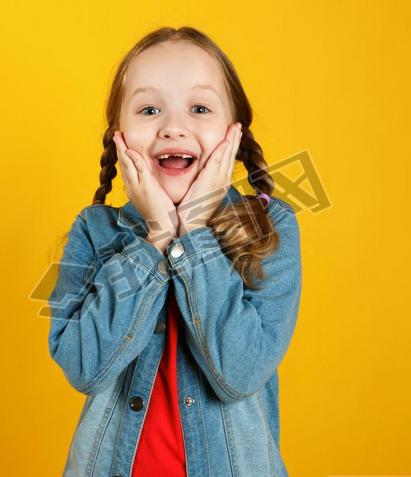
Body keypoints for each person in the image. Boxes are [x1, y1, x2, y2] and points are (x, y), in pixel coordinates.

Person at [48, 25, 302, 477]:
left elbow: (239, 374)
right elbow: (84, 367)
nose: (173, 127)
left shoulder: (272, 226)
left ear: (233, 134)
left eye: (199, 107)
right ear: (119, 137)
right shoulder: (91, 231)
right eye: (149, 109)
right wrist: (156, 238)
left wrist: (196, 233)